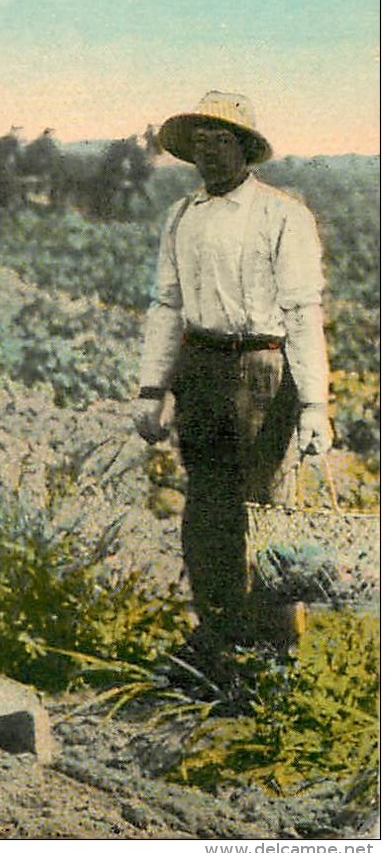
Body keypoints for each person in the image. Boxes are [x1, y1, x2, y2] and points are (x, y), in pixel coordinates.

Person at [133, 91, 331, 650]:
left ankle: (273, 653)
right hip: (200, 370)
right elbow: (167, 305)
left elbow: (302, 309)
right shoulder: (182, 216)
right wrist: (153, 389)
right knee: (207, 510)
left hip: (264, 373)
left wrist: (315, 404)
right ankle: (217, 638)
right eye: (200, 143)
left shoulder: (281, 214)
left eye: (221, 142)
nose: (209, 154)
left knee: (265, 511)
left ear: (244, 149)